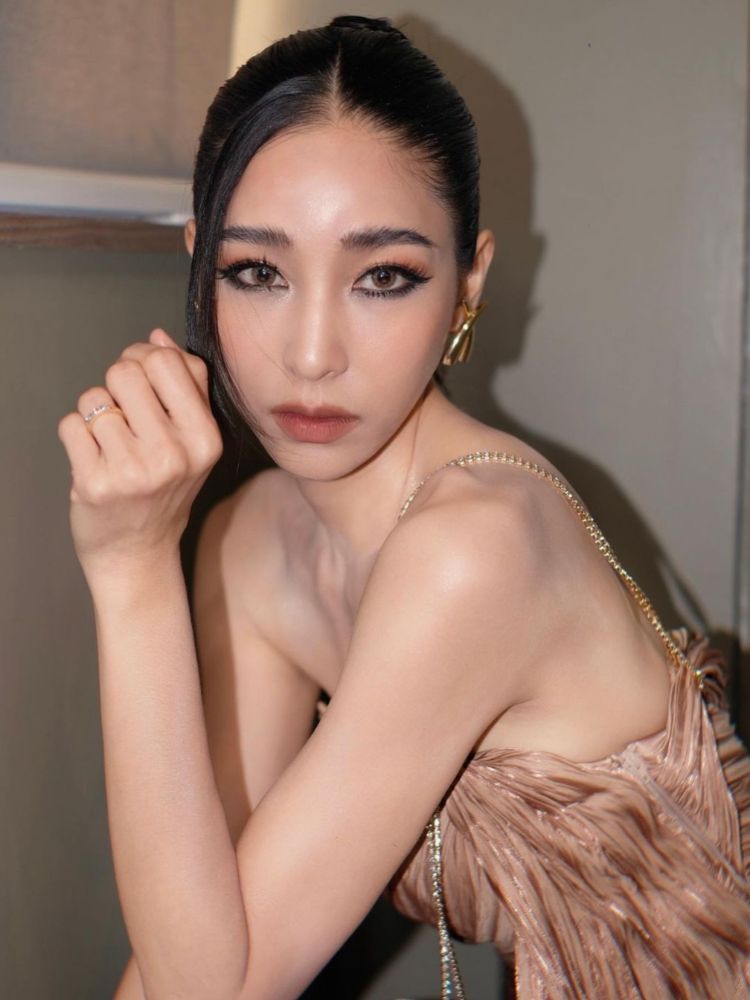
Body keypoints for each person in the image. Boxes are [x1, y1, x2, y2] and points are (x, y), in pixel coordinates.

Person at [56, 14, 750, 1000]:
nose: (312, 354)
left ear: (468, 282)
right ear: (201, 263)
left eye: (383, 277)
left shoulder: (475, 550)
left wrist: (130, 571)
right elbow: (196, 952)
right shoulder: (253, 544)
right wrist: (138, 562)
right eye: (258, 272)